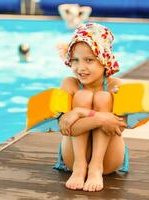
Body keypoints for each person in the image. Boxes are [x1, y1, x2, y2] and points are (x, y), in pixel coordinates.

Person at [54, 23, 128, 192]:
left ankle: (95, 166)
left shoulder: (114, 85)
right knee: (83, 96)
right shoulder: (70, 84)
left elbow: (118, 125)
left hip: (108, 160)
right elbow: (65, 128)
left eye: (89, 60)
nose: (81, 68)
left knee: (103, 97)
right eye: (75, 60)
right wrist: (96, 116)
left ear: (104, 61)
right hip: (73, 159)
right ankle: (80, 166)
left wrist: (80, 114)